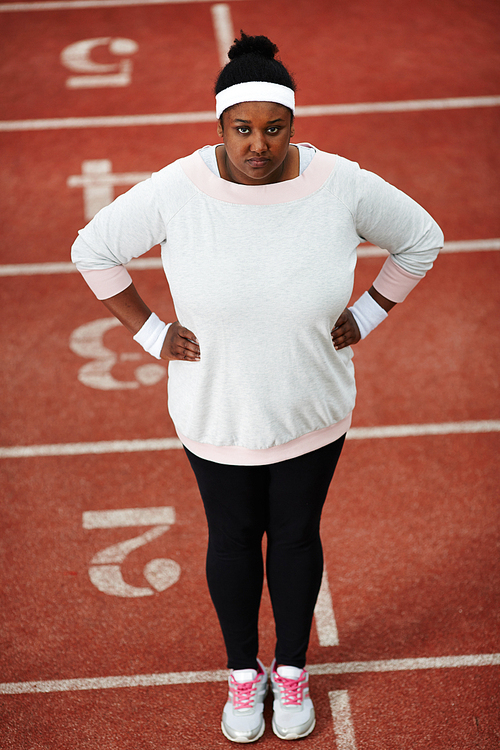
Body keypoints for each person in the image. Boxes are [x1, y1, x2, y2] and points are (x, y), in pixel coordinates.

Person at [71, 32, 443, 743]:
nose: (258, 146)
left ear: (293, 126)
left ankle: (292, 668)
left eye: (273, 130)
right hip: (216, 413)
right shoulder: (179, 188)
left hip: (312, 408)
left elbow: (421, 238)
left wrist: (368, 312)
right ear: (219, 127)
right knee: (234, 539)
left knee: (297, 539)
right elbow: (94, 247)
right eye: (243, 129)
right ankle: (245, 676)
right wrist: (151, 334)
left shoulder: (340, 183)